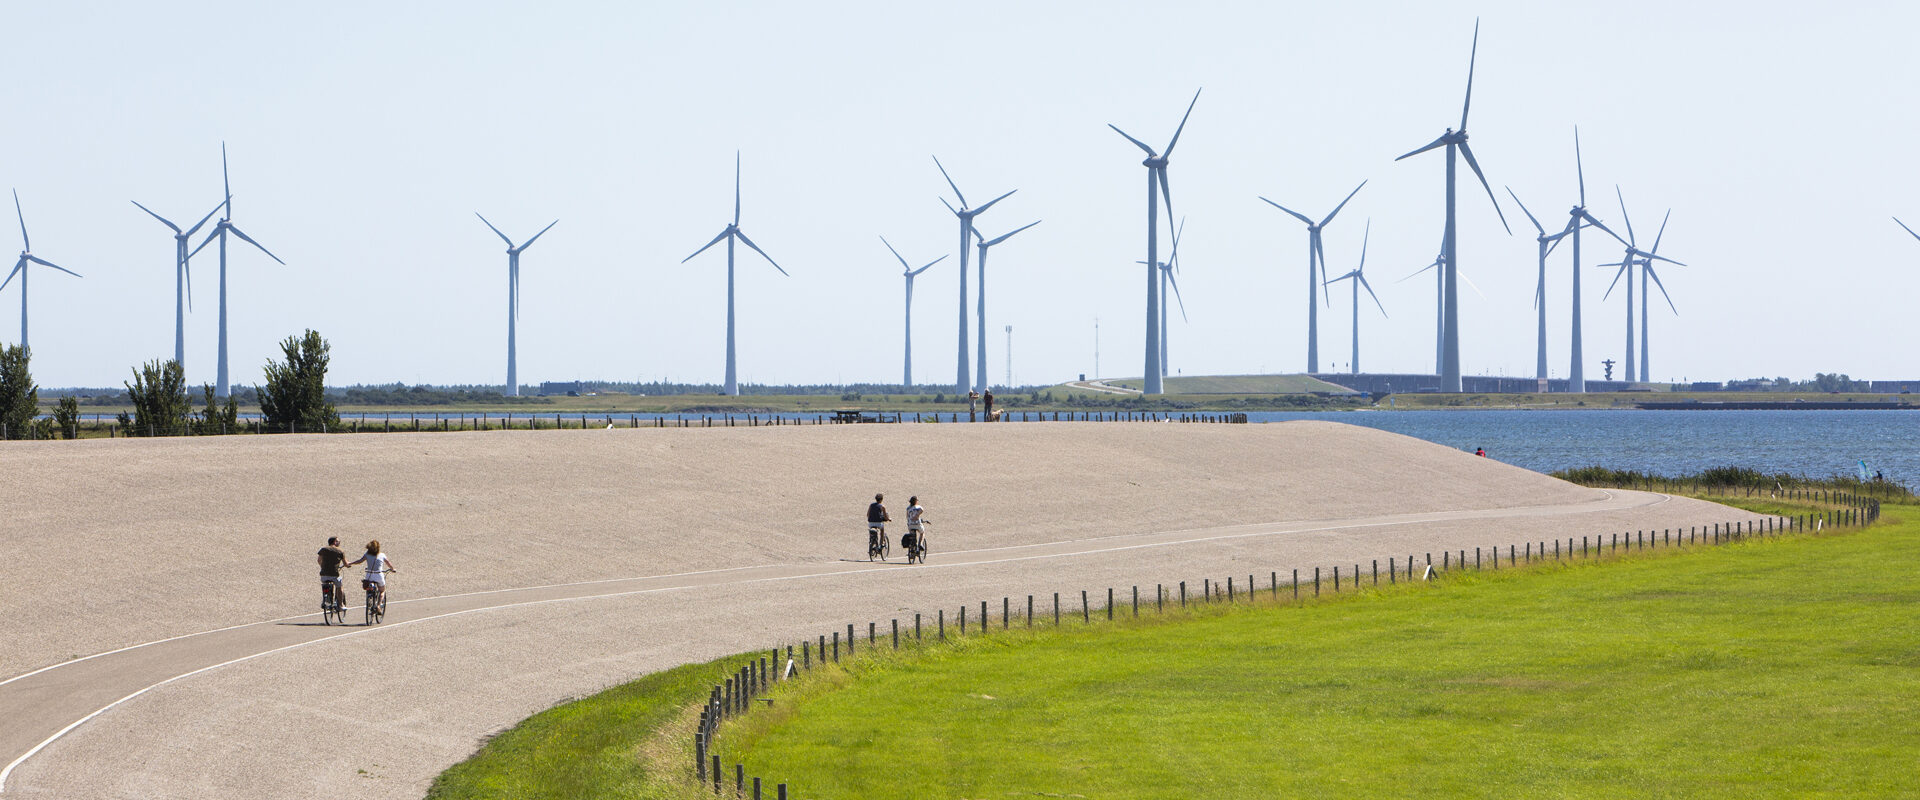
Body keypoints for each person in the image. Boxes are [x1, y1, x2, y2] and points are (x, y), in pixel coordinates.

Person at [346, 539, 398, 607]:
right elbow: (388, 563)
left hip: (369, 575)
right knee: (382, 591)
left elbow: (360, 561)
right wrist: (392, 569)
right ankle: (378, 605)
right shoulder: (382, 555)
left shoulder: (367, 554)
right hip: (378, 575)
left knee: (368, 585)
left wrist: (351, 563)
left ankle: (369, 597)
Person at [317, 536, 348, 611]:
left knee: (325, 585)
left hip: (324, 575)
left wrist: (323, 567)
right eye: (338, 541)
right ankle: (340, 605)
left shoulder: (323, 549)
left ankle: (325, 600)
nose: (339, 543)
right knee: (339, 586)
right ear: (335, 542)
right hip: (334, 575)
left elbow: (319, 560)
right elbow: (346, 563)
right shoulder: (340, 551)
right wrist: (349, 565)